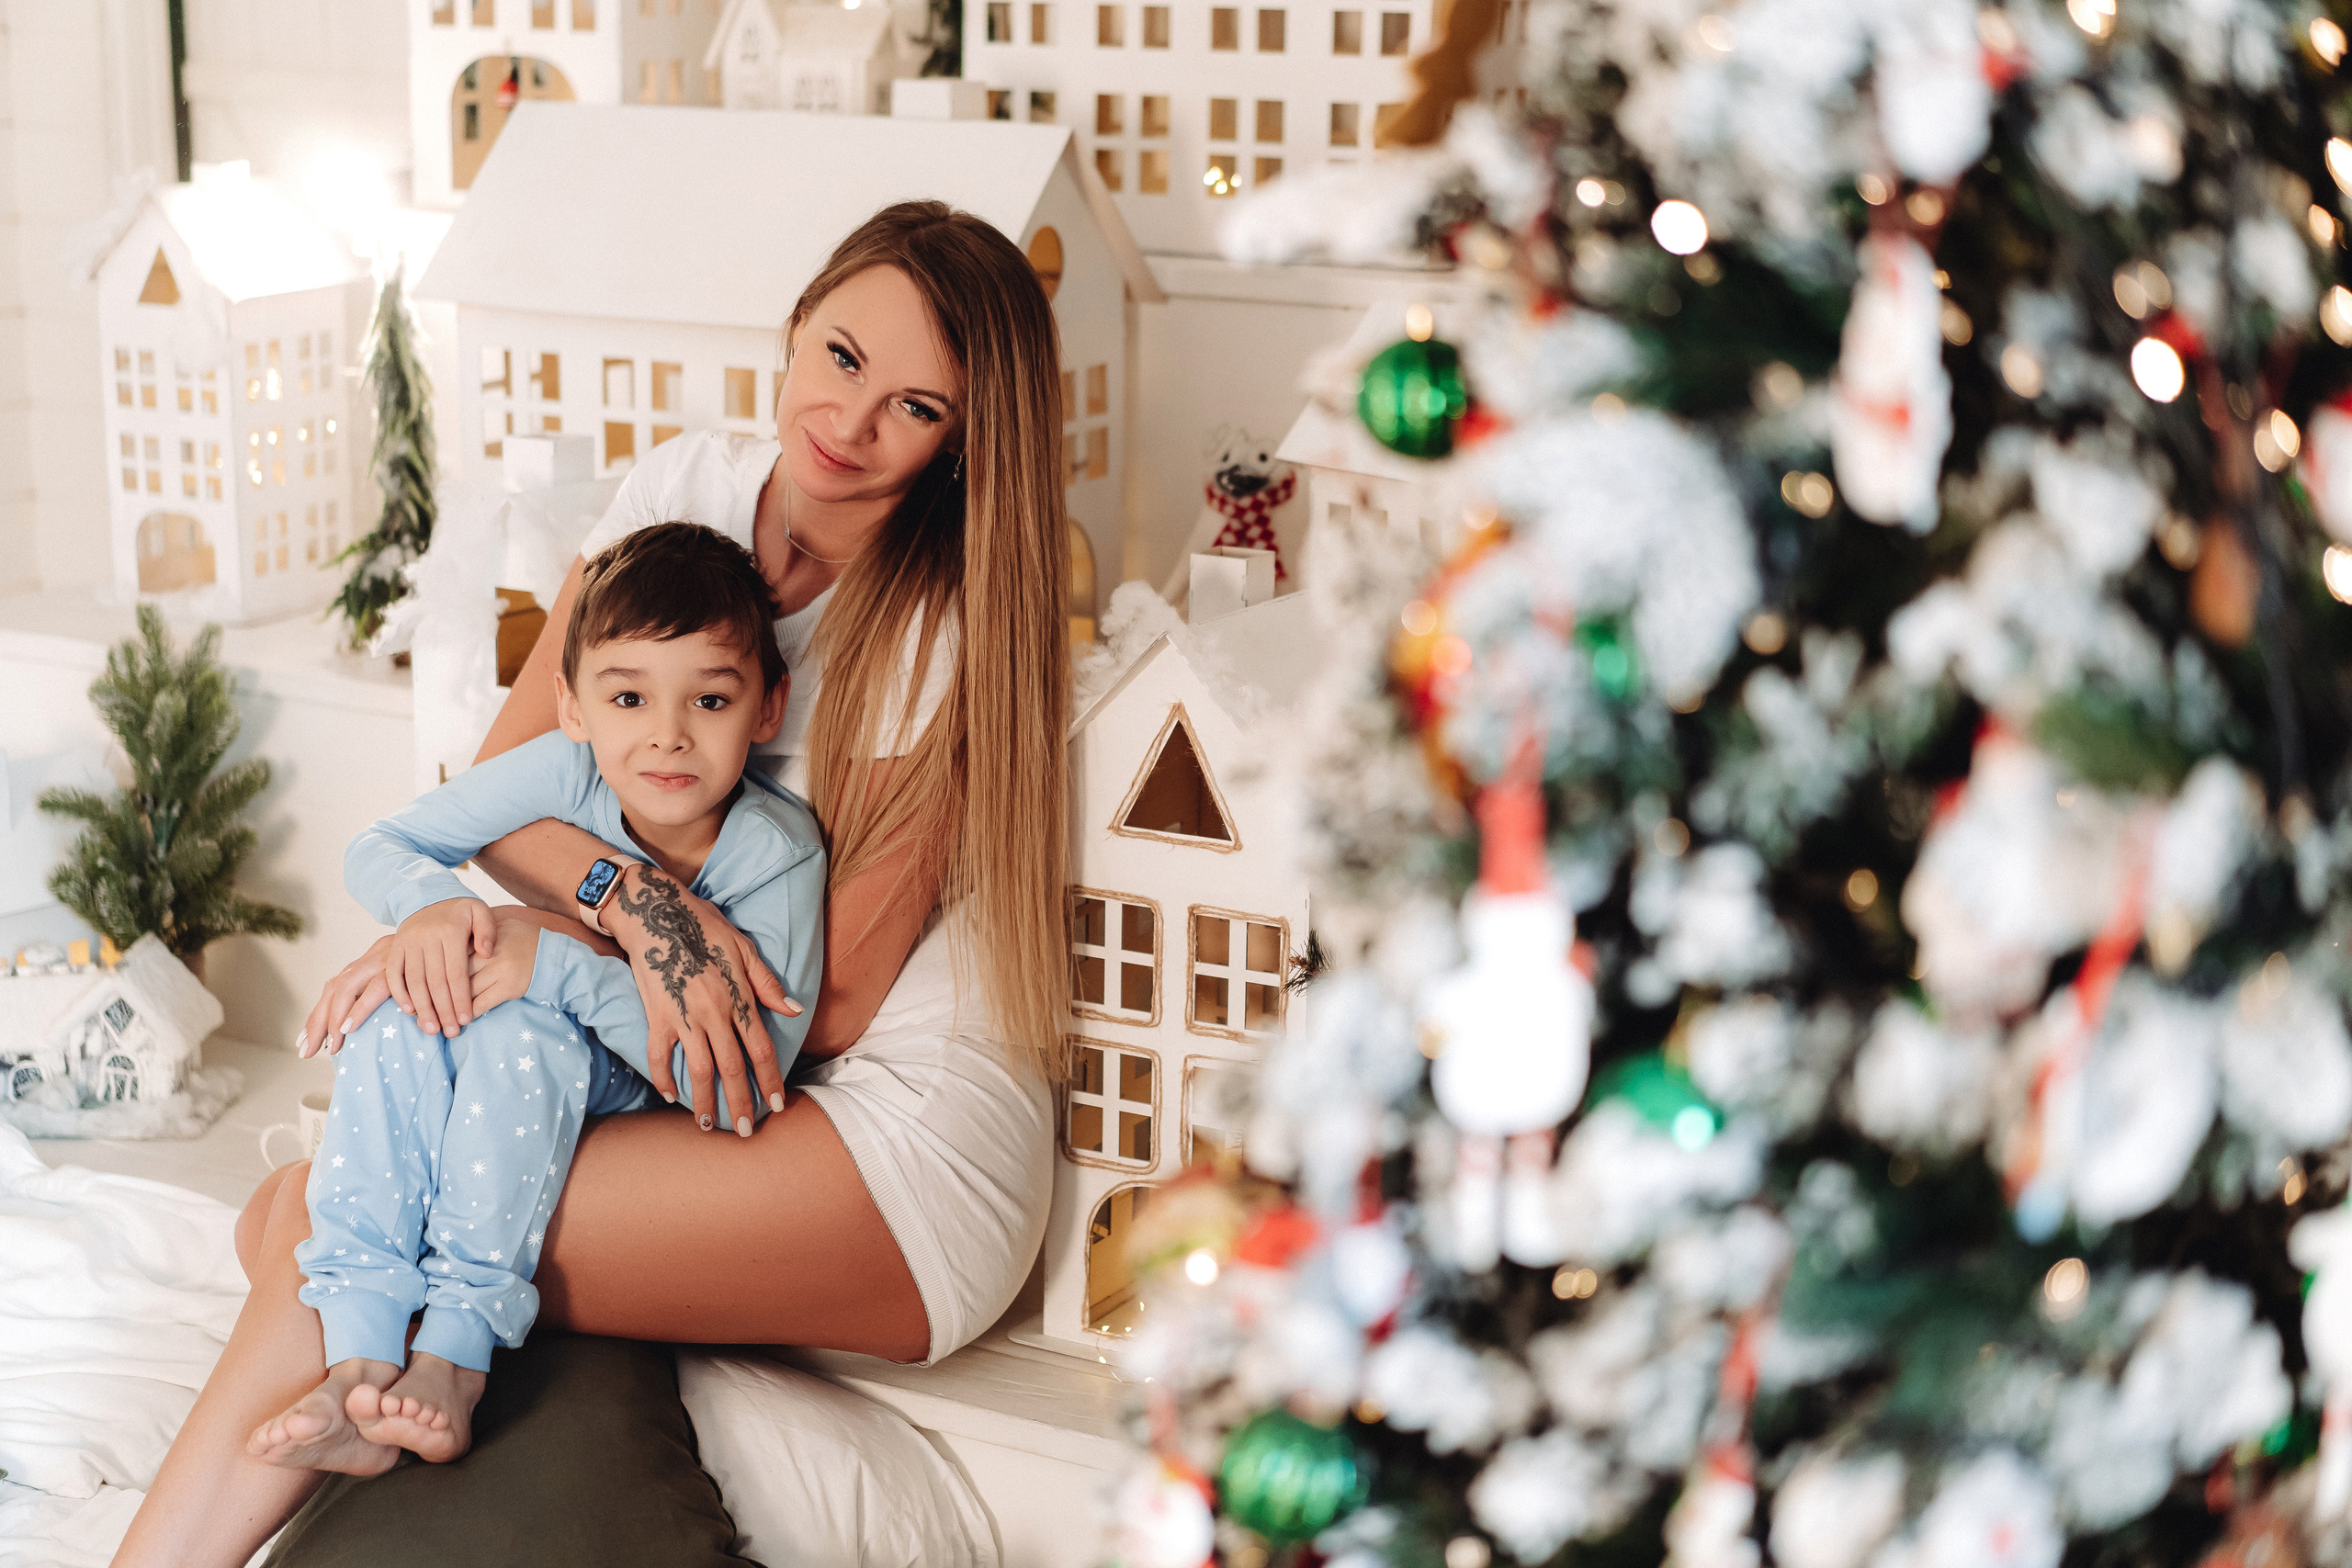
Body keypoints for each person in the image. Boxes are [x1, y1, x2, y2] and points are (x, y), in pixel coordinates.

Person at [112, 199, 1069, 1568]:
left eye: (915, 404)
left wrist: (557, 944)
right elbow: (513, 789)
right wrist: (646, 909)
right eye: (843, 355)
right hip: (671, 1053)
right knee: (308, 1209)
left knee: (325, 1211)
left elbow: (827, 999)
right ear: (796, 324)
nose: (850, 422)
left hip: (869, 1128)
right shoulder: (684, 486)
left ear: (963, 442)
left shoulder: (936, 616)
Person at [255, 522, 825, 1472]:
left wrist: (548, 966)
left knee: (523, 1031)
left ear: (768, 706)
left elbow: (726, 1082)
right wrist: (433, 915)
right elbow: (385, 844)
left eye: (710, 699)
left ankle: (451, 1359)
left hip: (636, 1075)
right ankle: (355, 1364)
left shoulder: (776, 853)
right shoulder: (567, 769)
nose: (666, 734)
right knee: (404, 1012)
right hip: (544, 1003)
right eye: (629, 696)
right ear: (573, 706)